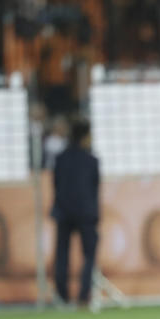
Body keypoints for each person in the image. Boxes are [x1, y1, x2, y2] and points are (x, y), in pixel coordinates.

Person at [51, 117, 100, 305]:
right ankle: (83, 296)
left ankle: (62, 297)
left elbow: (55, 184)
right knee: (89, 255)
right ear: (85, 136)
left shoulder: (60, 159)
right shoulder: (91, 161)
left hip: (63, 211)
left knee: (62, 255)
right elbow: (95, 188)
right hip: (86, 214)